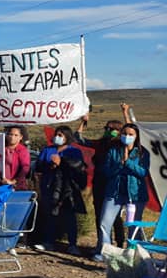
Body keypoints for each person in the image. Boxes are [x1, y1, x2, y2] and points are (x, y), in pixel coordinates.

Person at [94, 123, 149, 260]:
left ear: (136, 136)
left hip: (135, 194)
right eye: (124, 133)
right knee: (104, 223)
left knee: (133, 225)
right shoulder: (113, 151)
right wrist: (120, 165)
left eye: (131, 134)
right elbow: (106, 171)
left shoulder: (143, 153)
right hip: (114, 192)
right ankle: (105, 252)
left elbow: (143, 172)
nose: (127, 136)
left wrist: (128, 162)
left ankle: (133, 254)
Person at [76, 108, 128, 250]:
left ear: (119, 131)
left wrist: (125, 114)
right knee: (100, 214)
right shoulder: (100, 144)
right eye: (107, 128)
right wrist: (83, 122)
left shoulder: (121, 146)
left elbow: (132, 131)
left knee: (115, 215)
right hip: (99, 182)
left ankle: (119, 243)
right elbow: (78, 138)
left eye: (112, 129)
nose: (108, 131)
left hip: (114, 183)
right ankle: (103, 244)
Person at [35, 125, 87, 254]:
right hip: (49, 185)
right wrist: (50, 166)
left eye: (60, 135)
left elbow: (78, 167)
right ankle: (48, 242)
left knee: (69, 216)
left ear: (67, 137)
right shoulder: (47, 150)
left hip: (67, 187)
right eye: (56, 135)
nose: (56, 137)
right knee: (50, 215)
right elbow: (38, 166)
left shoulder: (74, 151)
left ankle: (72, 244)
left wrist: (62, 162)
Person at [2, 125, 31, 190]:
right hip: (0, 186)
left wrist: (14, 181)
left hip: (17, 187)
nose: (12, 137)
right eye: (10, 134)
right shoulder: (1, 147)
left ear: (21, 137)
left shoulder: (23, 150)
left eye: (16, 135)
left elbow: (25, 168)